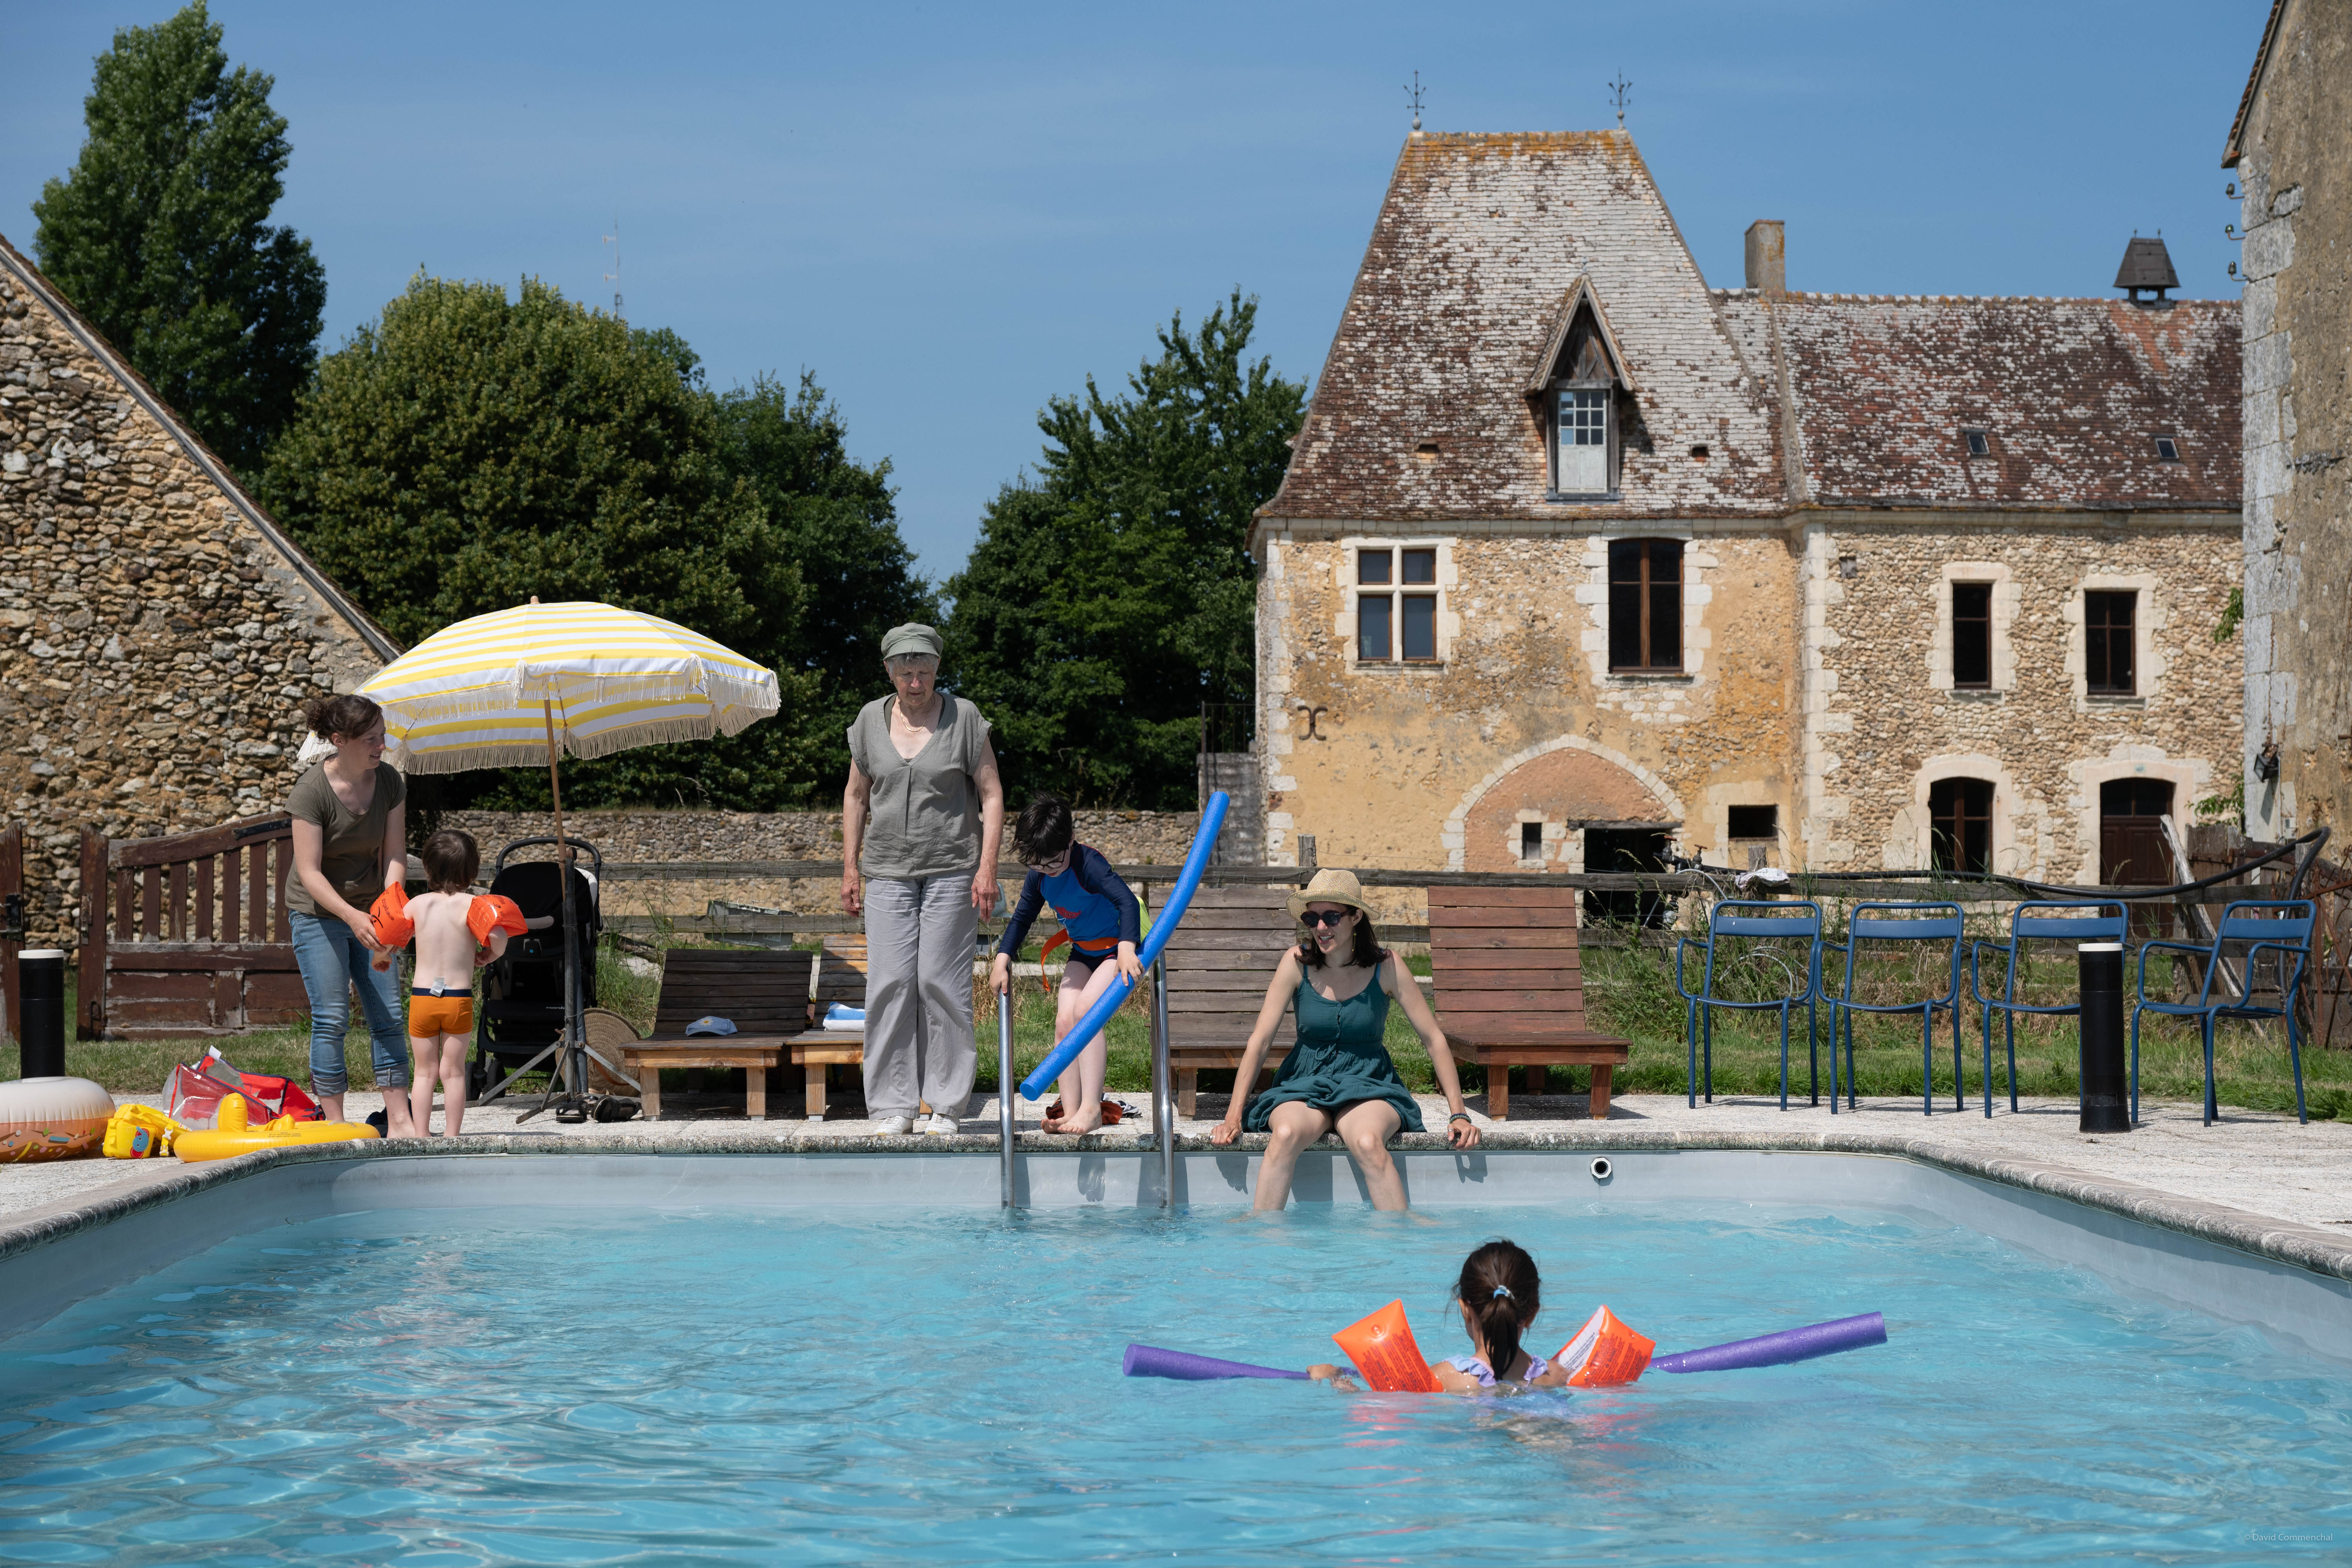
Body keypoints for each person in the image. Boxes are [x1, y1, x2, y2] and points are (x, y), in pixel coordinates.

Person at [1210, 867, 1478, 1211]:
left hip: (1369, 1082)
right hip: (1305, 1081)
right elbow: (1260, 1041)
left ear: (1356, 917)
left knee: (1368, 1142)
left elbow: (1433, 1040)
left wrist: (1459, 1114)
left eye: (1332, 916)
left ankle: (1399, 1245)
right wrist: (1233, 1117)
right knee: (1286, 1135)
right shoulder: (1295, 963)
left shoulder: (1388, 966)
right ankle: (1265, 1244)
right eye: (1312, 917)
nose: (1321, 928)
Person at [841, 623, 1004, 1136]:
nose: (916, 683)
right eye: (906, 673)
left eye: (925, 672)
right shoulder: (869, 719)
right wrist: (849, 865)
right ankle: (893, 1105)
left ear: (937, 670)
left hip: (954, 869)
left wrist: (988, 867)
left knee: (942, 983)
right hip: (887, 870)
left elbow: (992, 795)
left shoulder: (966, 718)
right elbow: (855, 796)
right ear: (889, 672)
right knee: (890, 984)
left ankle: (948, 1105)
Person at [285, 693, 413, 1134]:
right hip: (318, 913)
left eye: (384, 736)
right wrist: (352, 917)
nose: (384, 745)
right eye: (372, 739)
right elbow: (309, 872)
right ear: (339, 741)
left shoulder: (391, 782)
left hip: (371, 910)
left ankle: (400, 1120)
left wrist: (390, 904)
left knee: (389, 1015)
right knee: (332, 1017)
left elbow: (394, 853)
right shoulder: (310, 792)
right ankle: (335, 1125)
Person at [988, 794, 1144, 1134]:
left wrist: (1127, 949)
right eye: (1038, 864)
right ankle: (1071, 1111)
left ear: (1071, 841)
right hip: (1085, 951)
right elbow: (1022, 918)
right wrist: (1002, 960)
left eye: (1054, 863)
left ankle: (1092, 1108)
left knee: (1087, 1012)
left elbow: (1127, 902)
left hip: (1117, 949)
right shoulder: (1040, 874)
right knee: (1063, 1022)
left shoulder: (1088, 865)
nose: (1048, 870)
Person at [1309, 1240, 1565, 1391]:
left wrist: (1340, 1384)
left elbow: (1388, 1411)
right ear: (1532, 1313)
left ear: (1465, 1310)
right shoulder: (1556, 1376)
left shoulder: (1441, 1379)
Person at [399, 830, 510, 1138]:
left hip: (422, 998)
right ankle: (452, 1136)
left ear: (428, 869)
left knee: (424, 1072)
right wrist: (489, 956)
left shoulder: (418, 904)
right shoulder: (474, 905)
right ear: (472, 870)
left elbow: (393, 937)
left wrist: (383, 956)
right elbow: (501, 939)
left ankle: (421, 1135)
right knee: (453, 1072)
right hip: (457, 1000)